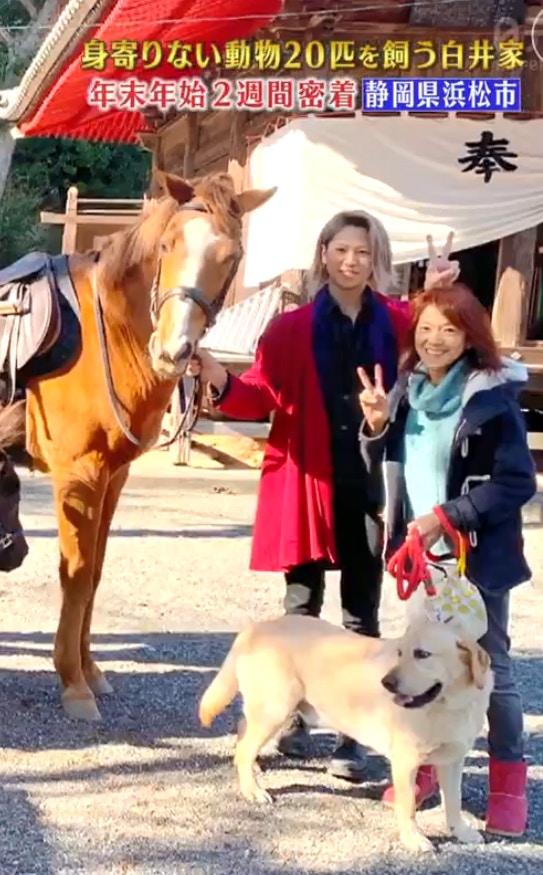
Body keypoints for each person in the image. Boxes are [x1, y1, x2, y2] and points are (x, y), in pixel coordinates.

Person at [191, 216, 458, 780]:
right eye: (341, 250)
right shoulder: (290, 329)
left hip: (370, 481)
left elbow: (447, 345)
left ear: (376, 258)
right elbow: (259, 395)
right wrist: (216, 375)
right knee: (301, 605)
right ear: (324, 254)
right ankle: (293, 717)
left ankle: (353, 731)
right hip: (306, 475)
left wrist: (440, 290)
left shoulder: (401, 322)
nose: (351, 261)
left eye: (363, 251)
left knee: (362, 610)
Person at [357, 281, 533, 836]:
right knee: (423, 660)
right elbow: (383, 466)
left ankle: (508, 780)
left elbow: (516, 482)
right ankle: (429, 762)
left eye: (449, 330)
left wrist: (449, 515)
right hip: (421, 558)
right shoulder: (405, 392)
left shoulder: (491, 400)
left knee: (490, 667)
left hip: (473, 558)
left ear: (470, 337)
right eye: (425, 329)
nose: (435, 340)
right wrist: (378, 425)